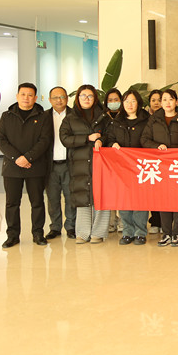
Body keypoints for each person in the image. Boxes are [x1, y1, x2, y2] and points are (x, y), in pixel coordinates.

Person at [0, 83, 52, 248]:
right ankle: (12, 236)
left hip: (35, 166)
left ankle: (38, 234)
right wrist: (17, 158)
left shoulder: (43, 116)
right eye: (23, 94)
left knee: (37, 202)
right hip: (12, 167)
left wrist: (28, 158)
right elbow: (0, 139)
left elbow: (45, 140)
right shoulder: (7, 116)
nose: (26, 98)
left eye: (30, 95)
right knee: (12, 203)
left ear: (35, 98)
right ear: (17, 96)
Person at [59, 84, 110, 244]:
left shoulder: (104, 116)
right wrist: (87, 138)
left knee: (101, 196)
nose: (86, 99)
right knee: (82, 196)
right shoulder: (70, 118)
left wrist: (102, 140)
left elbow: (111, 135)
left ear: (95, 98)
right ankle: (82, 233)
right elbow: (65, 139)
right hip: (79, 163)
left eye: (90, 96)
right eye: (83, 96)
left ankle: (98, 233)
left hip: (100, 162)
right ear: (78, 98)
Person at [141, 89, 178, 247]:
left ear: (176, 101)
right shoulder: (154, 119)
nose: (168, 102)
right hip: (160, 165)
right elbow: (144, 139)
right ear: (160, 103)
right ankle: (166, 233)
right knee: (164, 200)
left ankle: (176, 234)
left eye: (171, 99)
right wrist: (156, 146)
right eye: (164, 99)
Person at [103, 89, 151, 245]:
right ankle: (127, 231)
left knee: (140, 200)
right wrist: (113, 144)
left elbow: (149, 140)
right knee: (124, 200)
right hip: (121, 167)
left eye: (133, 101)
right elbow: (109, 139)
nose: (130, 104)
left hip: (140, 167)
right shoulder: (116, 122)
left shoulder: (147, 120)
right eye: (127, 101)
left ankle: (140, 232)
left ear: (138, 103)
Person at [43, 86, 75, 240]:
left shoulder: (75, 115)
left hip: (70, 164)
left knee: (70, 197)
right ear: (50, 100)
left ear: (67, 98)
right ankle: (55, 227)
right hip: (50, 165)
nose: (59, 100)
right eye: (55, 97)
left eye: (62, 97)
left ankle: (71, 226)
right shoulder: (43, 117)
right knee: (53, 198)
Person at [102, 87, 123, 233]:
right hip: (106, 160)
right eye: (110, 100)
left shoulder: (125, 116)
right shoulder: (102, 117)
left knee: (121, 190)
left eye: (116, 99)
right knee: (109, 190)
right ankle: (110, 222)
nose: (113, 102)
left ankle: (122, 221)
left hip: (123, 159)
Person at [146, 89, 163, 234]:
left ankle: (165, 223)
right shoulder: (145, 118)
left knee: (164, 193)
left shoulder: (168, 117)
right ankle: (155, 221)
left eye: (159, 100)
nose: (156, 103)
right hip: (150, 160)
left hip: (165, 161)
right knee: (152, 194)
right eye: (153, 100)